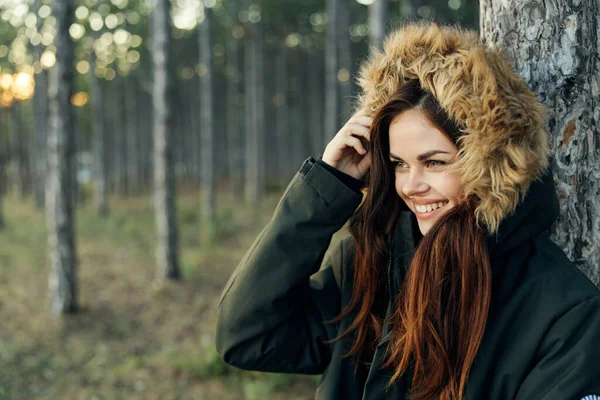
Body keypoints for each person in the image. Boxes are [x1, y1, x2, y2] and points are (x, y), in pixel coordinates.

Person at [216, 22, 600, 400]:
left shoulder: (563, 312)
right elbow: (251, 337)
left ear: (491, 163)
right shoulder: (369, 261)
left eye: (434, 163)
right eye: (399, 163)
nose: (410, 186)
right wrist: (327, 188)